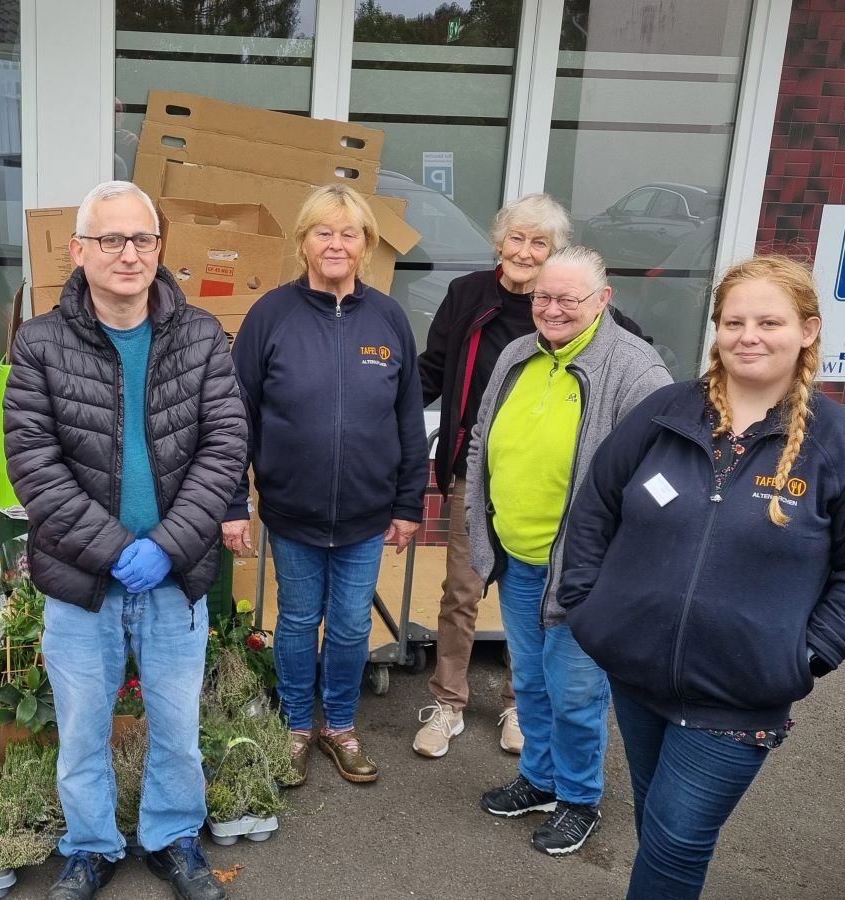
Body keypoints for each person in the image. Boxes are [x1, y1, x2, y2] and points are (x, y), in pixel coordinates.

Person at [559, 255, 845, 897]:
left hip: (738, 696)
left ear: (807, 330)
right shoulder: (665, 413)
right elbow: (594, 508)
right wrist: (588, 607)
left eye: (769, 321)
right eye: (733, 320)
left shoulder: (834, 444)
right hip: (636, 675)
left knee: (677, 843)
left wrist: (808, 653)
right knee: (658, 828)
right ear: (715, 329)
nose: (749, 334)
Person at [3, 181, 247, 900]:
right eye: (110, 239)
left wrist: (169, 545)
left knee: (177, 726)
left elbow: (226, 444)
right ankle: (90, 846)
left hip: (175, 578)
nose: (128, 253)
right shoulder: (40, 342)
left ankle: (173, 839)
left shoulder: (199, 334)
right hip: (82, 581)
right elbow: (33, 464)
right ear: (78, 251)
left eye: (141, 239)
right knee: (81, 729)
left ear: (159, 248)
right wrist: (113, 550)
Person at [465, 245, 671, 856]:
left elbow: (660, 477)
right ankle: (540, 780)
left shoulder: (637, 371)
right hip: (518, 559)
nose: (551, 310)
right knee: (528, 680)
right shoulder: (516, 354)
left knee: (577, 691)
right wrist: (483, 525)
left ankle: (580, 799)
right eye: (542, 298)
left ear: (603, 300)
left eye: (568, 299)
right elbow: (481, 437)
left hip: (587, 573)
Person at [221, 183, 428, 786]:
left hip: (366, 515)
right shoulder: (271, 316)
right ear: (303, 242)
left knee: (350, 627)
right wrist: (236, 500)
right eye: (323, 232)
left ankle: (339, 726)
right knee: (294, 620)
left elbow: (408, 419)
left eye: (350, 233)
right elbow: (238, 418)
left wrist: (409, 502)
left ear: (366, 246)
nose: (336, 244)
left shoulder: (388, 318)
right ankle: (294, 728)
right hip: (292, 512)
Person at [414, 193, 571, 759]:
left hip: (539, 476)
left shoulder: (563, 303)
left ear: (555, 252)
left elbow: (623, 353)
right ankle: (448, 702)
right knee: (462, 588)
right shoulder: (467, 295)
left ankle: (518, 703)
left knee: (529, 594)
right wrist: (379, 406)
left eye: (540, 242)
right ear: (498, 242)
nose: (525, 252)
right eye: (517, 238)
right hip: (471, 470)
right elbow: (432, 368)